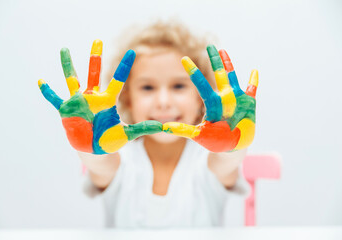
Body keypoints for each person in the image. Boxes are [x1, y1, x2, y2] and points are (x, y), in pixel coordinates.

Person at [38, 20, 257, 228]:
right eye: (148, 88)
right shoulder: (120, 159)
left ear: (202, 98)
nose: (163, 102)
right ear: (127, 100)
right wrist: (88, 141)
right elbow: (100, 164)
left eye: (178, 86)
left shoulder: (207, 162)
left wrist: (234, 140)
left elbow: (226, 162)